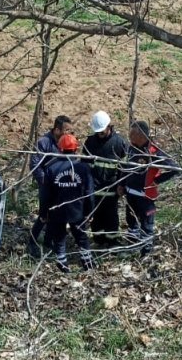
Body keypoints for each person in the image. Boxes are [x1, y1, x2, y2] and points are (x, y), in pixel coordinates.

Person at [117, 121, 178, 256]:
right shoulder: (131, 148)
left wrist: (156, 180)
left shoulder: (153, 152)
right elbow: (126, 167)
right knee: (131, 221)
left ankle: (146, 253)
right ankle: (132, 246)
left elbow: (174, 168)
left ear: (141, 136)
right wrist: (121, 184)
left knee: (146, 225)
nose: (129, 136)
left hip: (145, 196)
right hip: (130, 193)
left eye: (132, 134)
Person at [39, 133, 96, 272]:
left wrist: (43, 213)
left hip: (57, 210)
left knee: (59, 238)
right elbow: (89, 193)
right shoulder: (83, 168)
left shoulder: (50, 168)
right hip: (77, 210)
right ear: (76, 149)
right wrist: (90, 211)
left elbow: (45, 194)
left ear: (60, 149)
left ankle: (62, 264)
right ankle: (87, 263)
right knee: (81, 237)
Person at [83, 110, 129, 248]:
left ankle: (112, 242)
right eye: (97, 132)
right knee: (96, 219)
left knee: (111, 217)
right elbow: (84, 165)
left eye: (102, 132)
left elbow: (125, 168)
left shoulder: (119, 143)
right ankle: (99, 241)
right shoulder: (90, 142)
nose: (99, 134)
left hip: (111, 189)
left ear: (109, 126)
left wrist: (122, 185)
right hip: (94, 190)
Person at [28, 114, 73, 256]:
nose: (69, 133)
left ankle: (48, 241)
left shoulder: (67, 141)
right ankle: (32, 242)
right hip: (47, 185)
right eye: (66, 130)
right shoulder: (44, 142)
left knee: (56, 215)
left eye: (70, 130)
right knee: (44, 215)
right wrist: (45, 181)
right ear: (57, 130)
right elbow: (34, 164)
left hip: (60, 185)